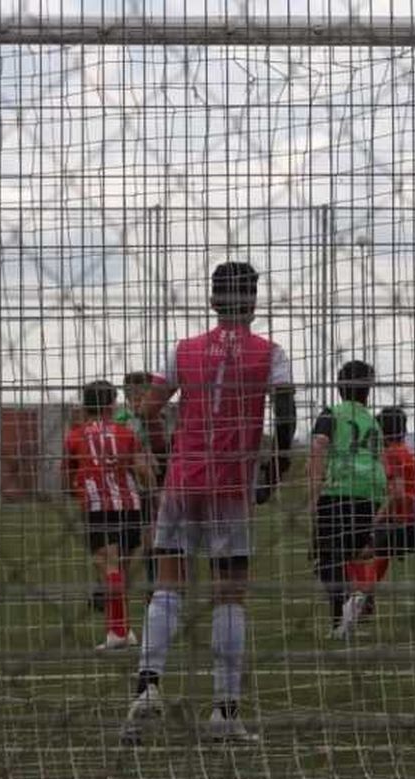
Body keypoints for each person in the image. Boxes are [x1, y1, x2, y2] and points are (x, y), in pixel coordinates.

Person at [122, 262, 296, 744]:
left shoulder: (183, 350)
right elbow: (285, 415)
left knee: (168, 586)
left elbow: (149, 410)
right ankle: (224, 709)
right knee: (230, 592)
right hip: (232, 483)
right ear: (254, 303)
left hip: (182, 479)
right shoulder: (272, 353)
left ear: (213, 301)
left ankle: (148, 687)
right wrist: (277, 468)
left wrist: (161, 451)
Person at [65, 380, 155, 651]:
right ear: (109, 404)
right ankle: (124, 631)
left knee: (108, 568)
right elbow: (144, 473)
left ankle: (116, 632)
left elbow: (66, 479)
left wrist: (78, 488)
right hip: (130, 506)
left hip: (98, 506)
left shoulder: (74, 436)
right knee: (122, 569)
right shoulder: (126, 433)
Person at [309, 360, 386, 640]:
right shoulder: (373, 421)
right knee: (354, 552)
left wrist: (315, 490)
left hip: (340, 488)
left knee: (327, 558)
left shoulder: (332, 414)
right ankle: (359, 599)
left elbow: (319, 446)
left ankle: (340, 620)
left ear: (339, 387)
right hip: (372, 492)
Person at [361, 405, 415, 617]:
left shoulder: (392, 453)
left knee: (354, 545)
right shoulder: (410, 454)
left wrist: (378, 521)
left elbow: (398, 495)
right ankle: (367, 595)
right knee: (381, 547)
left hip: (411, 527)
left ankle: (358, 597)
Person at [114, 370, 160, 591]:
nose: (139, 400)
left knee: (153, 534)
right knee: (128, 541)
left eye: (143, 395)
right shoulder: (121, 420)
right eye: (134, 396)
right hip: (128, 487)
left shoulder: (157, 417)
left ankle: (153, 584)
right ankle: (115, 583)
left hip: (152, 486)